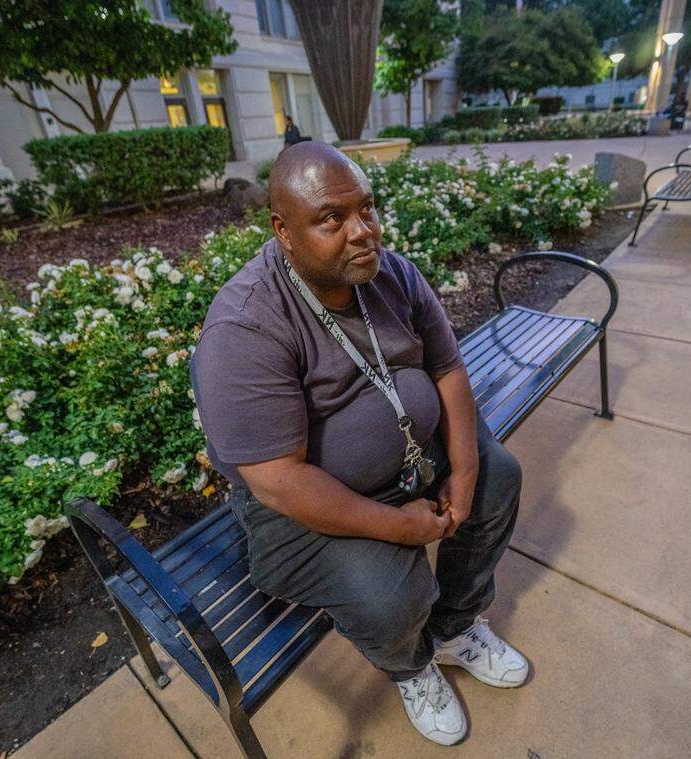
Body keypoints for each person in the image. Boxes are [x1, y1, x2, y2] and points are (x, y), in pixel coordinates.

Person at [190, 142, 528, 747]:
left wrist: (466, 470)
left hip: (412, 453)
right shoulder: (245, 325)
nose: (363, 230)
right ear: (283, 232)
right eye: (332, 219)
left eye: (366, 208)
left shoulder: (390, 272)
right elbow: (279, 482)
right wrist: (399, 527)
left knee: (498, 478)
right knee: (391, 596)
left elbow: (448, 367)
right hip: (302, 502)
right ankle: (410, 665)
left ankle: (454, 628)